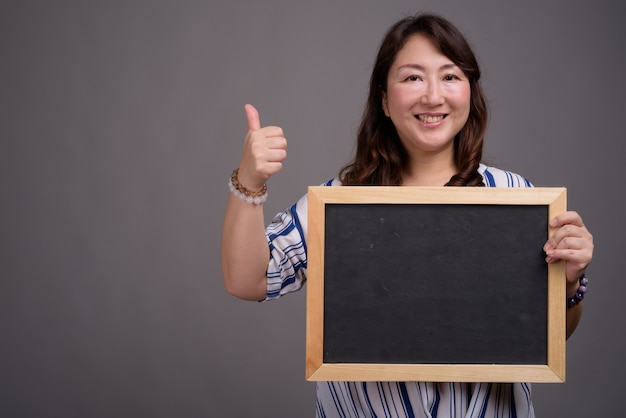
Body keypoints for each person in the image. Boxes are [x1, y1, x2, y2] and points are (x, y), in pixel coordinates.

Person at [221, 13, 594, 418]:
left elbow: (545, 337)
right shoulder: (338, 205)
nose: (433, 96)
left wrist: (569, 283)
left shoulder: (517, 198)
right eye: (413, 77)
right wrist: (249, 180)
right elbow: (249, 280)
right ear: (383, 98)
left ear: (470, 91)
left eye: (450, 76)